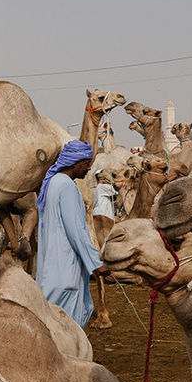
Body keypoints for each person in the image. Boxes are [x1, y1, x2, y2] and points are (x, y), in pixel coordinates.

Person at [36, 140, 110, 327]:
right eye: (86, 165)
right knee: (66, 324)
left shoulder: (53, 183)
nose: (88, 170)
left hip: (53, 264)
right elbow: (76, 230)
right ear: (75, 163)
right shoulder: (67, 187)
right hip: (65, 265)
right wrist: (96, 263)